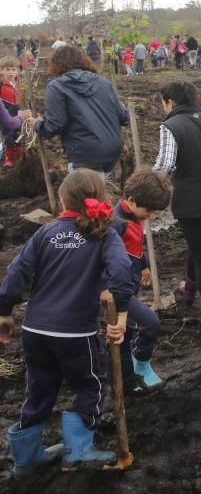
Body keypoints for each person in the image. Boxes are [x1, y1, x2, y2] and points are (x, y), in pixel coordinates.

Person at [0, 169, 133, 472]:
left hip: (34, 330)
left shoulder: (45, 233)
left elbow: (17, 272)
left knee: (39, 389)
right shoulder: (104, 235)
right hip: (75, 333)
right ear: (102, 200)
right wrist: (121, 314)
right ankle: (78, 449)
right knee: (93, 384)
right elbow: (122, 273)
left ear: (61, 201)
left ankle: (26, 458)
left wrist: (5, 311)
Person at [152, 81, 201, 331]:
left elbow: (165, 166)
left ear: (170, 103)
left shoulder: (170, 126)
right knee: (199, 245)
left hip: (190, 203)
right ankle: (188, 289)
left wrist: (143, 186)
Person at [111, 169, 173, 395]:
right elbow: (110, 259)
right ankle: (135, 371)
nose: (151, 215)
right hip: (117, 291)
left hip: (128, 284)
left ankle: (133, 373)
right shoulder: (116, 223)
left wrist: (143, 265)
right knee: (149, 323)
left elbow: (135, 246)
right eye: (149, 210)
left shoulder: (133, 216)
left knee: (127, 333)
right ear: (130, 200)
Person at [35, 45, 128, 175]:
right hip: (112, 150)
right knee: (99, 190)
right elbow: (124, 117)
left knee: (83, 193)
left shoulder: (57, 87)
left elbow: (55, 124)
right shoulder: (104, 83)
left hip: (84, 153)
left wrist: (38, 125)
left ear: (56, 64)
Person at [1, 57, 25, 167]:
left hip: (19, 113)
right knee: (9, 136)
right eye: (8, 69)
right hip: (7, 114)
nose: (11, 72)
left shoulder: (20, 84)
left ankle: (21, 157)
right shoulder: (1, 85)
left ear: (17, 71)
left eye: (13, 69)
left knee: (21, 134)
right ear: (2, 71)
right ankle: (9, 159)